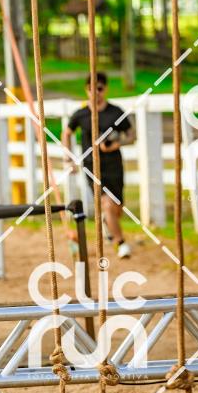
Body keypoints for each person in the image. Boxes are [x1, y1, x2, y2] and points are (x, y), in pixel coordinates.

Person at [62, 72, 134, 259]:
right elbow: (67, 133)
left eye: (100, 88)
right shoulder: (81, 114)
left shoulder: (115, 112)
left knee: (117, 208)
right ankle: (121, 243)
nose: (96, 92)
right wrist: (69, 158)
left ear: (105, 89)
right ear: (86, 90)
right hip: (92, 167)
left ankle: (108, 225)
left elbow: (131, 135)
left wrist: (117, 144)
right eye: (91, 89)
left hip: (114, 166)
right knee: (107, 204)